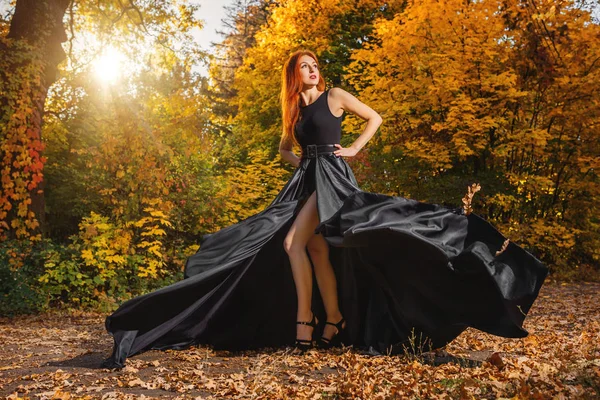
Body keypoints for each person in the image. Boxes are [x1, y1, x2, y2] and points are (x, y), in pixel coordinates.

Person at [101, 49, 548, 369]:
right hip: (307, 179)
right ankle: (332, 318)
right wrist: (300, 163)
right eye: (303, 67)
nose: (312, 71)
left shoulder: (335, 95)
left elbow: (374, 118)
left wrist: (351, 148)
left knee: (295, 242)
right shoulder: (295, 110)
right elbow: (284, 149)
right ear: (295, 76)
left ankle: (307, 320)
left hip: (332, 180)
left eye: (314, 66)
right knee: (314, 250)